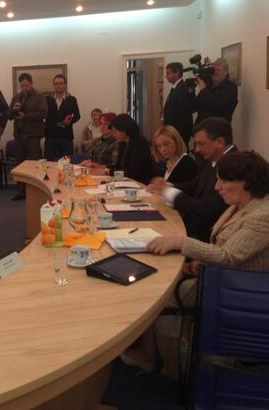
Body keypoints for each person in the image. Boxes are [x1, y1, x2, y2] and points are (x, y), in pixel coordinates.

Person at [122, 151, 269, 373]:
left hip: (233, 290)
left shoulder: (262, 215)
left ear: (246, 182)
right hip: (217, 275)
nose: (217, 187)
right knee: (152, 276)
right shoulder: (241, 204)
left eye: (223, 180)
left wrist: (180, 241)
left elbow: (228, 256)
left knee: (151, 290)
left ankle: (149, 356)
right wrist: (200, 262)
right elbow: (229, 249)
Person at [147, 117, 236, 242]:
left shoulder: (234, 165)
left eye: (201, 144)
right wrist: (165, 186)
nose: (197, 149)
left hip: (204, 236)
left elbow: (209, 208)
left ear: (220, 142)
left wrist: (168, 192)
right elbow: (194, 184)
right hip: (195, 228)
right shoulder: (214, 160)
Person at [8, 73, 47, 200]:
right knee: (20, 164)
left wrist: (26, 116)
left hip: (33, 136)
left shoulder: (39, 96)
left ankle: (35, 190)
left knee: (34, 163)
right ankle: (21, 191)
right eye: (22, 86)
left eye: (26, 86)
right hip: (19, 135)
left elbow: (44, 114)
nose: (24, 88)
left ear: (32, 83)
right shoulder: (17, 97)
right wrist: (13, 110)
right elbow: (9, 115)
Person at [108, 114, 154, 184]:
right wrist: (103, 169)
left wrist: (108, 172)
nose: (113, 134)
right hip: (128, 182)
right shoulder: (123, 143)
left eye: (115, 131)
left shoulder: (140, 142)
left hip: (141, 183)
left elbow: (132, 173)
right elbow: (118, 166)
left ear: (124, 129)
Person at [44, 74, 80, 160]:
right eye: (56, 83)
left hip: (66, 136)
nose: (58, 86)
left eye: (60, 83)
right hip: (50, 136)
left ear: (65, 84)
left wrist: (70, 121)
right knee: (49, 162)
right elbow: (43, 115)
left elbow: (77, 116)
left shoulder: (72, 99)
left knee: (66, 163)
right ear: (53, 85)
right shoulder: (47, 99)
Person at [194, 57, 238, 124]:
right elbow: (194, 107)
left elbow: (220, 109)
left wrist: (204, 90)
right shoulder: (209, 85)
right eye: (214, 70)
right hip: (202, 126)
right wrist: (190, 91)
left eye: (219, 70)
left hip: (218, 127)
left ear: (226, 72)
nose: (215, 72)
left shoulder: (231, 87)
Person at [163, 62, 195, 146]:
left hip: (179, 132)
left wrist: (177, 134)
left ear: (176, 73)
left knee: (181, 151)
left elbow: (184, 114)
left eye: (168, 73)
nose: (166, 76)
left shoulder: (182, 89)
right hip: (173, 131)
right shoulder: (176, 88)